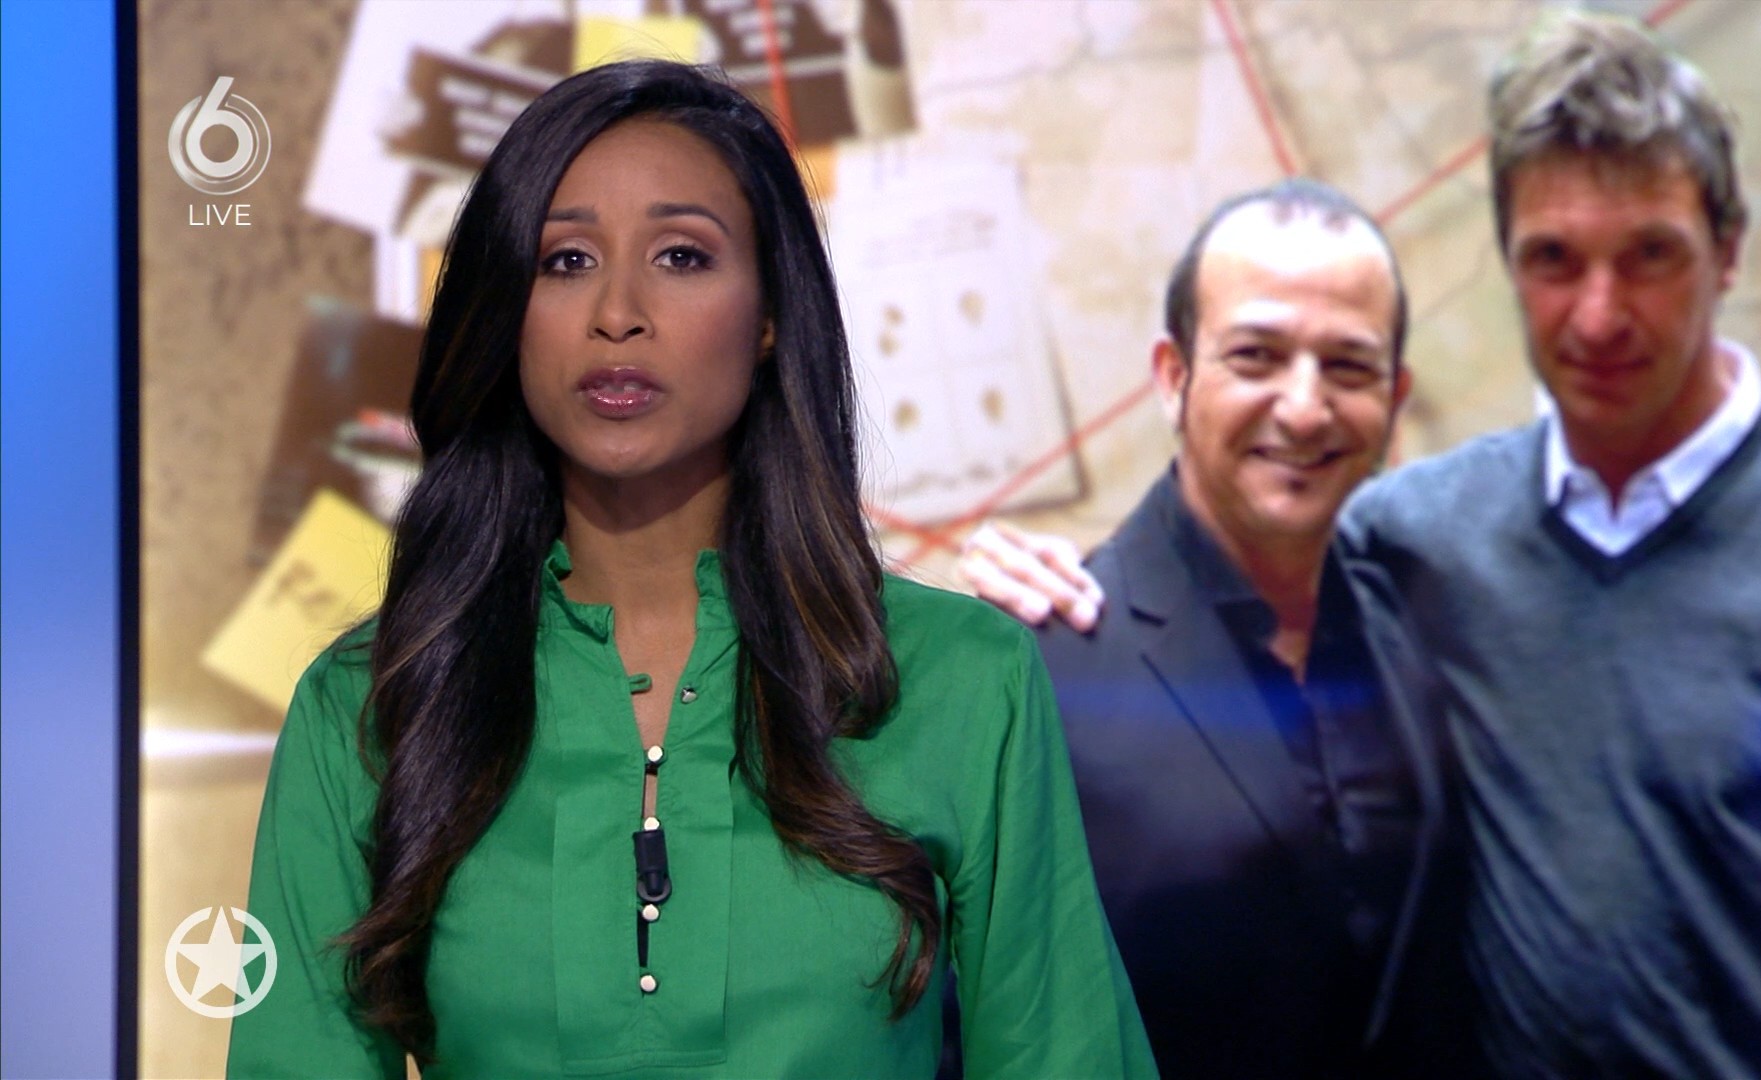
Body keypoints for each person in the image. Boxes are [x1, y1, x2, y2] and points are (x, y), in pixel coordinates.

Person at [965, 11, 1761, 1078]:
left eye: (1650, 254)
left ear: (1729, 251)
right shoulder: (1422, 537)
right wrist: (1020, 588)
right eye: (1553, 258)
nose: (1599, 315)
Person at [227, 60, 1155, 1079]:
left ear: (769, 315)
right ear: (506, 310)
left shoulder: (964, 677)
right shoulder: (371, 705)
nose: (618, 312)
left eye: (680, 255)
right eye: (565, 260)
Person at [966, 179, 1469, 1078]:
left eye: (1348, 366)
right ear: (1174, 377)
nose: (1304, 408)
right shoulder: (1034, 669)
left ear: (1396, 397)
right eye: (1256, 356)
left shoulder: (1434, 628)